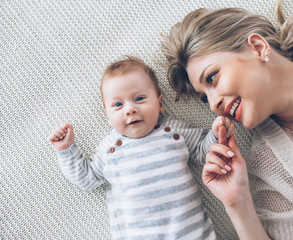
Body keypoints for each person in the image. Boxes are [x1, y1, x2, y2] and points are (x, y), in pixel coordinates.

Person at [161, 0, 293, 239]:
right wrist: (238, 203)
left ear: (257, 47)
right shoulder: (271, 166)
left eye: (212, 77)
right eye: (205, 98)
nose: (214, 104)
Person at [48, 56, 236, 240]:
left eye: (139, 99)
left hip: (192, 233)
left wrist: (218, 132)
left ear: (160, 103)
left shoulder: (174, 131)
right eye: (118, 104)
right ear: (107, 113)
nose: (130, 109)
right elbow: (88, 178)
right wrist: (66, 149)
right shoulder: (110, 149)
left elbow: (204, 152)